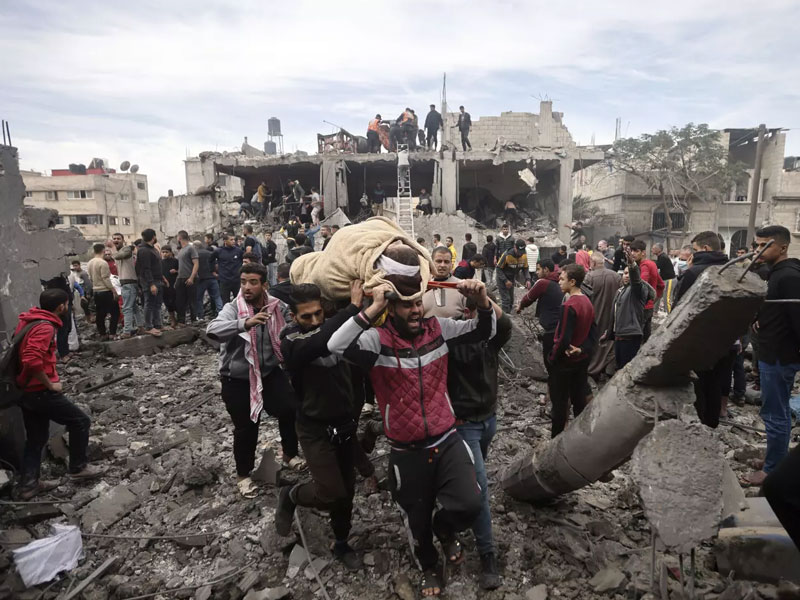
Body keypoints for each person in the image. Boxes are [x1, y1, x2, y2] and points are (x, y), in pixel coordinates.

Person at [327, 278, 494, 598]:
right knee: (416, 518)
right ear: (391, 307)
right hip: (407, 450)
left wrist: (483, 301)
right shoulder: (377, 340)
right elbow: (336, 346)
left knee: (471, 502)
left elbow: (483, 330)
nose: (416, 309)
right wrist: (372, 307)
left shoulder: (439, 329)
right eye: (407, 304)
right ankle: (429, 567)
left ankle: (444, 528)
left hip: (447, 439)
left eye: (419, 302)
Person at [275, 283, 364, 570]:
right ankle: (292, 494)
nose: (314, 321)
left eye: (318, 314)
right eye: (306, 316)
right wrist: (353, 309)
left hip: (344, 424)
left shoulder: (334, 327)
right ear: (293, 316)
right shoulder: (290, 341)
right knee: (329, 492)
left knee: (346, 492)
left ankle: (341, 542)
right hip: (314, 428)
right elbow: (320, 340)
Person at [206, 263, 302, 498]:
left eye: (253, 282)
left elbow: (294, 322)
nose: (247, 287)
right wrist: (244, 324)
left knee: (289, 408)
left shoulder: (276, 307)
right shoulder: (233, 309)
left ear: (264, 285)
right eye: (243, 282)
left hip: (269, 372)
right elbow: (213, 330)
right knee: (247, 427)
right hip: (237, 379)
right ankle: (243, 475)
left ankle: (290, 454)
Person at [14, 289, 105, 499]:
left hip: (25, 392)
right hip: (40, 391)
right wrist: (50, 384)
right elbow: (31, 360)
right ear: (61, 306)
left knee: (36, 438)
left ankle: (28, 485)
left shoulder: (30, 321)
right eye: (67, 304)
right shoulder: (45, 327)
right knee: (80, 421)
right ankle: (78, 467)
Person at [447, 298, 511, 590]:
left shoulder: (491, 339)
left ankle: (452, 515)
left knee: (473, 479)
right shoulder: (451, 340)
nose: (481, 316)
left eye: (483, 311)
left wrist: (485, 300)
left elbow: (505, 324)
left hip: (489, 420)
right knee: (480, 488)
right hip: (465, 425)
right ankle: (488, 555)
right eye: (473, 310)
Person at [744, 225, 800, 487]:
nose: (758, 250)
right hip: (771, 352)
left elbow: (797, 319)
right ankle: (774, 458)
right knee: (774, 410)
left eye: (764, 245)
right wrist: (762, 319)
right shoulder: (775, 273)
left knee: (775, 413)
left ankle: (773, 470)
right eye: (757, 245)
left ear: (783, 247)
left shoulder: (788, 276)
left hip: (779, 356)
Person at [674, 231, 732, 429]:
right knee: (715, 384)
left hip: (698, 341)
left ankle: (699, 427)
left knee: (698, 385)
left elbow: (680, 308)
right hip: (726, 340)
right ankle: (712, 424)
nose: (692, 255)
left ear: (705, 248)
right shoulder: (731, 269)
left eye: (695, 250)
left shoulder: (694, 273)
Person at [548, 264, 596, 438]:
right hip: (581, 360)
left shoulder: (569, 305)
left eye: (562, 279)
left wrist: (552, 358)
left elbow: (563, 339)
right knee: (579, 400)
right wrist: (582, 349)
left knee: (560, 405)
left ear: (573, 281)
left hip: (565, 363)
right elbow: (593, 333)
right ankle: (580, 438)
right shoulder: (587, 302)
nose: (559, 282)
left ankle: (556, 440)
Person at [603, 251, 654, 369]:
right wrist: (609, 333)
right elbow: (616, 314)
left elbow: (636, 280)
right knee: (620, 367)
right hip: (619, 336)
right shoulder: (621, 291)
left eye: (629, 273)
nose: (626, 276)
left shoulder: (638, 290)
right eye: (625, 273)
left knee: (627, 368)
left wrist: (632, 265)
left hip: (630, 336)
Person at [517, 259, 563, 371]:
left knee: (549, 357)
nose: (536, 272)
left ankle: (552, 378)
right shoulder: (559, 281)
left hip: (550, 325)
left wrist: (520, 307)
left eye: (538, 269)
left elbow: (529, 298)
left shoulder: (543, 282)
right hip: (561, 324)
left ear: (546, 269)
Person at [585, 253, 621, 380]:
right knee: (610, 344)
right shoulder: (616, 276)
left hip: (595, 316)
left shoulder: (590, 277)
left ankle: (593, 370)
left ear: (593, 263)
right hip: (612, 317)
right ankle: (607, 370)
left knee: (595, 344)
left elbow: (584, 297)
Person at [628, 240, 663, 342]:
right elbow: (661, 285)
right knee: (646, 336)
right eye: (631, 251)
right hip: (648, 307)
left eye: (636, 251)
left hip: (640, 308)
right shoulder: (652, 263)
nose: (633, 253)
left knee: (636, 338)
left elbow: (640, 285)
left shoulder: (644, 266)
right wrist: (653, 300)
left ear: (643, 252)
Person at [112, 233, 144, 339]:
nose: (116, 240)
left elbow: (118, 256)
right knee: (134, 307)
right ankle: (140, 327)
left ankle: (127, 331)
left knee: (127, 308)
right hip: (127, 283)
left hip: (128, 283)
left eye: (118, 239)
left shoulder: (126, 249)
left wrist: (111, 248)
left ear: (123, 240)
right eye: (114, 239)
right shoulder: (120, 251)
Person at [423, 246, 467, 319]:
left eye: (446, 262)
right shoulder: (423, 287)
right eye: (439, 261)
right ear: (431, 263)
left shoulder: (461, 286)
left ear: (451, 264)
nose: (442, 265)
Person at [87, 243, 119, 340]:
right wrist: (113, 290)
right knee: (115, 312)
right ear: (103, 251)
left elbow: (90, 278)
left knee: (100, 314)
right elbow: (106, 278)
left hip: (96, 291)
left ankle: (102, 334)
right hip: (105, 291)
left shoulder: (90, 262)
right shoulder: (103, 263)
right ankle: (112, 333)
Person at [496, 238, 531, 312]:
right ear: (515, 247)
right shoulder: (507, 255)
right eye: (518, 251)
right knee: (506, 299)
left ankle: (508, 314)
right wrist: (505, 280)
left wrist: (528, 279)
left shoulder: (524, 255)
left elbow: (525, 268)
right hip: (502, 278)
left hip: (511, 278)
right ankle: (505, 316)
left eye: (522, 252)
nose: (520, 254)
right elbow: (498, 269)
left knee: (511, 300)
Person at [194, 241, 223, 319]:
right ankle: (221, 313)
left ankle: (200, 316)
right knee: (217, 296)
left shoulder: (195, 255)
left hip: (201, 279)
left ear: (195, 247)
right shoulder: (210, 253)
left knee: (199, 298)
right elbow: (216, 265)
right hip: (212, 278)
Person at [175, 231, 199, 326]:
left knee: (192, 300)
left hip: (190, 278)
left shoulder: (191, 248)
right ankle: (181, 321)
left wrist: (192, 278)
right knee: (180, 300)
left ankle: (194, 319)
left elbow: (196, 264)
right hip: (181, 277)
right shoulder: (181, 250)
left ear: (179, 238)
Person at [218, 234, 244, 304]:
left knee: (239, 300)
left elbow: (243, 260)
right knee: (225, 302)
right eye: (231, 240)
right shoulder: (219, 251)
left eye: (234, 240)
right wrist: (213, 272)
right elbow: (211, 260)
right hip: (224, 280)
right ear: (225, 241)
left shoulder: (238, 251)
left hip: (236, 280)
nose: (233, 241)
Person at [652, 243, 676, 313]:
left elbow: (656, 266)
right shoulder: (660, 257)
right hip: (663, 280)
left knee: (667, 298)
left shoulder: (663, 257)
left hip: (669, 280)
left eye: (653, 248)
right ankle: (654, 311)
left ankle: (670, 314)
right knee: (658, 295)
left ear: (659, 250)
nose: (652, 250)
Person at [159, 244, 178, 329]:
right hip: (165, 286)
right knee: (168, 303)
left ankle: (180, 319)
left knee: (177, 301)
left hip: (175, 284)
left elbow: (181, 270)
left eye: (166, 252)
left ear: (170, 252)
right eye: (163, 252)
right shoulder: (160, 263)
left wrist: (176, 271)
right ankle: (172, 319)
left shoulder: (175, 261)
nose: (164, 254)